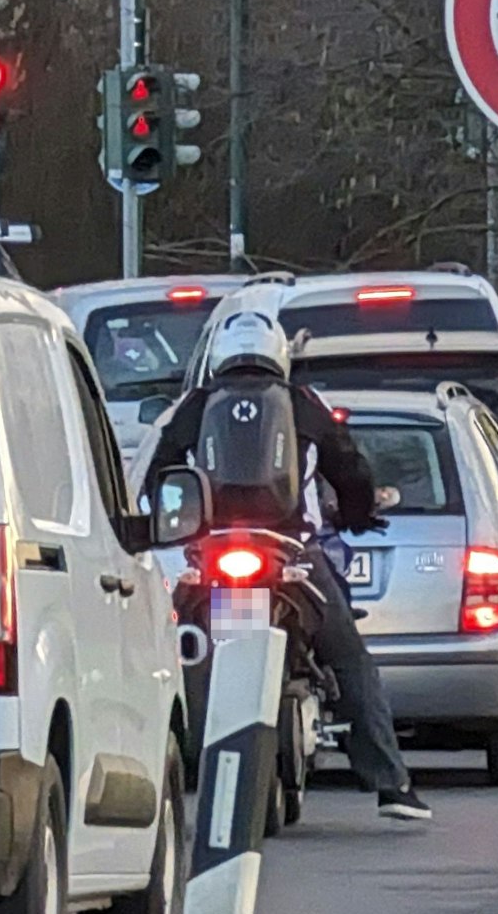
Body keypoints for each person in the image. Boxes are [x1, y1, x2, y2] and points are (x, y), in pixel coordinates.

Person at [139, 311, 431, 822]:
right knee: (347, 656)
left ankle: (152, 765)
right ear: (280, 354)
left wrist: (171, 527)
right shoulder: (303, 404)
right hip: (290, 550)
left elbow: (158, 477)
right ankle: (391, 783)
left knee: (166, 651)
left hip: (208, 552)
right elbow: (351, 468)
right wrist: (360, 515)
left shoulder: (196, 405)